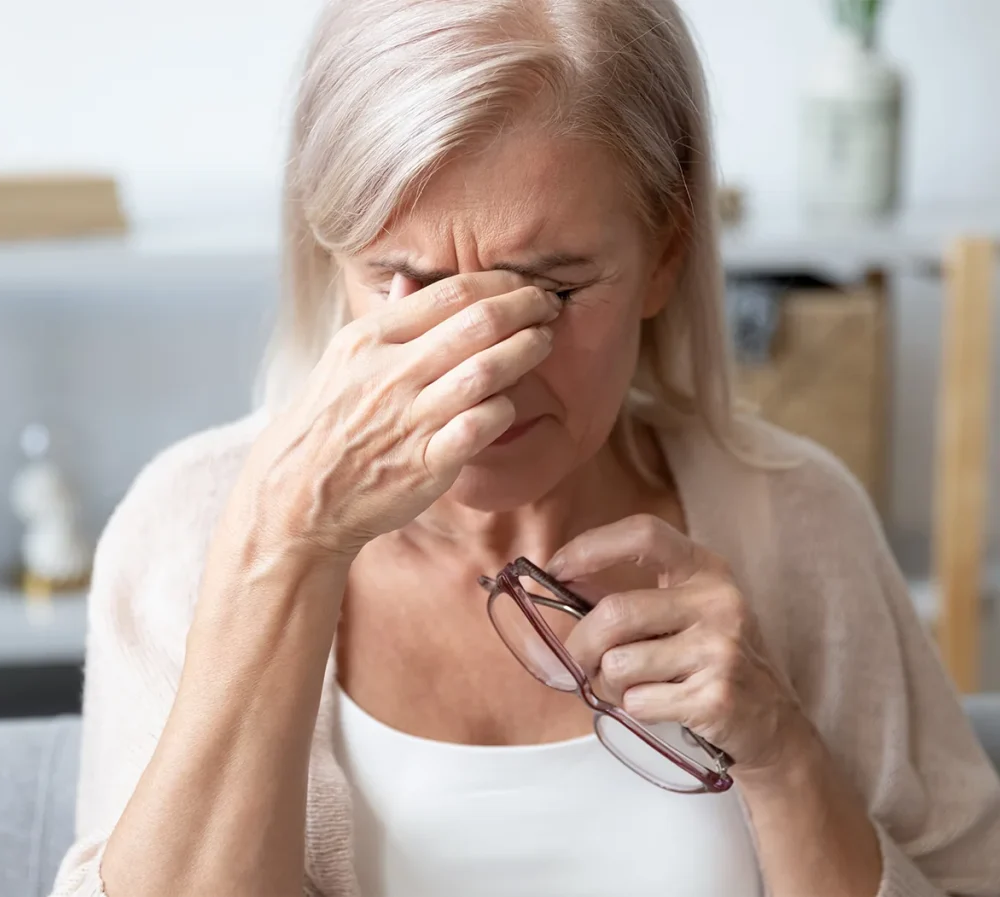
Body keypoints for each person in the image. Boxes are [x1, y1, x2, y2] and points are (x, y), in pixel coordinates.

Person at [52, 1, 1000, 895]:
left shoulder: (798, 519)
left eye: (550, 291)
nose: (482, 379)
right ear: (329, 249)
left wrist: (788, 755)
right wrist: (286, 548)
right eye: (406, 282)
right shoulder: (190, 527)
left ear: (665, 250)